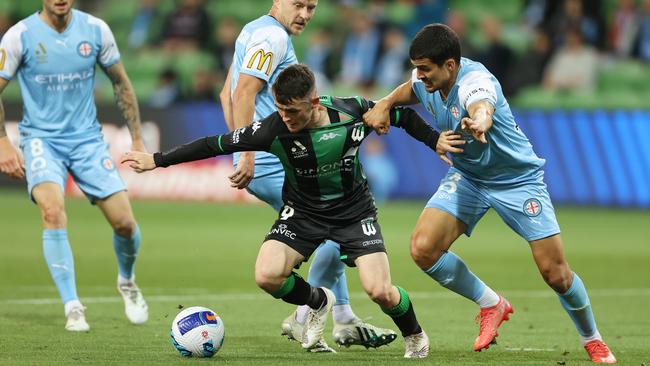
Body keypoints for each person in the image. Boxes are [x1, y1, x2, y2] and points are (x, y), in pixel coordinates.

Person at [123, 63, 445, 358]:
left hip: (354, 213)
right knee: (267, 275)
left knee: (380, 292)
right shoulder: (272, 130)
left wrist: (435, 141)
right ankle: (319, 301)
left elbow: (402, 116)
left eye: (292, 111)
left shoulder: (351, 113)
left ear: (315, 102)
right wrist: (157, 159)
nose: (285, 117)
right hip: (303, 214)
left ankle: (415, 336)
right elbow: (214, 144)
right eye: (280, 109)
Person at [364, 24, 617, 364]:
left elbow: (482, 104)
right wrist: (385, 102)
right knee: (423, 249)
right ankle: (491, 303)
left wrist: (481, 121)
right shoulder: (427, 80)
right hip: (469, 176)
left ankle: (593, 339)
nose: (419, 76)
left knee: (555, 273)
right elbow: (409, 89)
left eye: (426, 69)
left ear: (450, 65)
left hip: (516, 180)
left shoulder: (475, 81)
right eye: (418, 68)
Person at [218, 0, 394, 351]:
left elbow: (226, 94)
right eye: (298, 4)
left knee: (334, 234)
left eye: (312, 7)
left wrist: (241, 149)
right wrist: (248, 153)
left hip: (272, 160)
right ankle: (306, 315)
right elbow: (243, 93)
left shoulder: (252, 30)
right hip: (277, 163)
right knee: (334, 226)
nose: (305, 14)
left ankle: (343, 319)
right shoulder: (273, 39)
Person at [0, 0, 148, 332]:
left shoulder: (96, 30)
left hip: (87, 141)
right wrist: (2, 141)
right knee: (52, 211)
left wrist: (137, 140)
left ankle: (127, 281)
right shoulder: (20, 35)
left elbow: (121, 82)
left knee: (125, 223)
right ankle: (73, 305)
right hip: (41, 140)